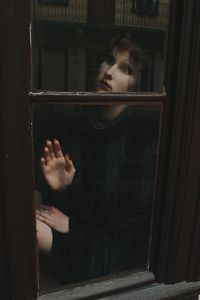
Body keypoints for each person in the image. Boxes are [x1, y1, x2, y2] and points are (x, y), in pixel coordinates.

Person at [36, 36, 158, 284]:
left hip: (104, 252)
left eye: (126, 69)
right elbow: (65, 203)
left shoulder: (140, 139)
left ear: (134, 85)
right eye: (109, 61)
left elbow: (133, 215)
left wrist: (74, 223)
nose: (110, 72)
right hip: (69, 237)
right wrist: (61, 188)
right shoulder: (79, 123)